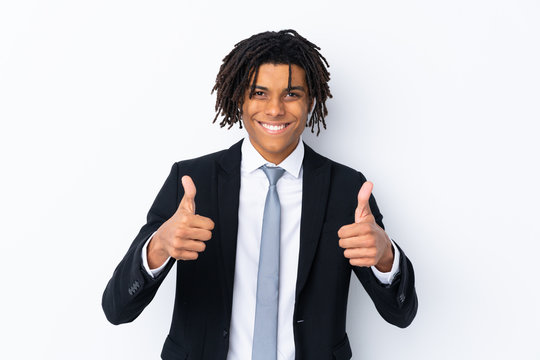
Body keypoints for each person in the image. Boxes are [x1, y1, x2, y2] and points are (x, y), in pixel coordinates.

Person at [102, 29, 417, 360]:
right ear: (239, 99)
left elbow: (402, 313)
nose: (275, 109)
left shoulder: (348, 189)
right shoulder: (193, 182)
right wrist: (157, 248)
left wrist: (385, 256)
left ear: (311, 100)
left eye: (291, 94)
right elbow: (117, 308)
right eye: (259, 93)